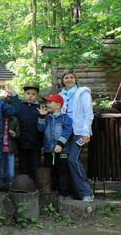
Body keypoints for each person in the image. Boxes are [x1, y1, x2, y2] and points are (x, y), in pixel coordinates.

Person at [59, 70, 95, 202]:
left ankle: (86, 192)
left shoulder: (82, 93)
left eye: (71, 77)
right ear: (62, 80)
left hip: (79, 132)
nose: (69, 80)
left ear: (75, 79)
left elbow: (88, 114)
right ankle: (70, 191)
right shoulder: (61, 95)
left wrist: (86, 132)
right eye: (66, 78)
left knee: (73, 159)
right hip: (65, 133)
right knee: (64, 160)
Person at [37, 94, 73, 196]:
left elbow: (67, 131)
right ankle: (51, 192)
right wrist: (41, 116)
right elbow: (41, 129)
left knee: (62, 172)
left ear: (58, 105)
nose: (47, 104)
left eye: (50, 102)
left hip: (62, 151)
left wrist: (60, 144)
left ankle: (63, 193)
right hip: (49, 150)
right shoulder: (47, 118)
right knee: (50, 172)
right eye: (47, 102)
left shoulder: (65, 118)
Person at [7, 83, 42, 181]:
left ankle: (33, 187)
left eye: (33, 94)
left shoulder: (39, 108)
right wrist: (13, 93)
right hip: (22, 143)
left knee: (35, 167)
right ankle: (23, 187)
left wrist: (42, 143)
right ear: (24, 94)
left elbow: (43, 127)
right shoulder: (20, 107)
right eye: (28, 93)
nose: (30, 96)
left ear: (37, 95)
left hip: (36, 143)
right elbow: (15, 105)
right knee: (23, 166)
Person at [0, 96, 20, 187]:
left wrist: (15, 134)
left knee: (11, 173)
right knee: (1, 172)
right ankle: (1, 188)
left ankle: (10, 188)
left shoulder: (14, 120)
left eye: (9, 105)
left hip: (10, 149)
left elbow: (19, 134)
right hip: (0, 149)